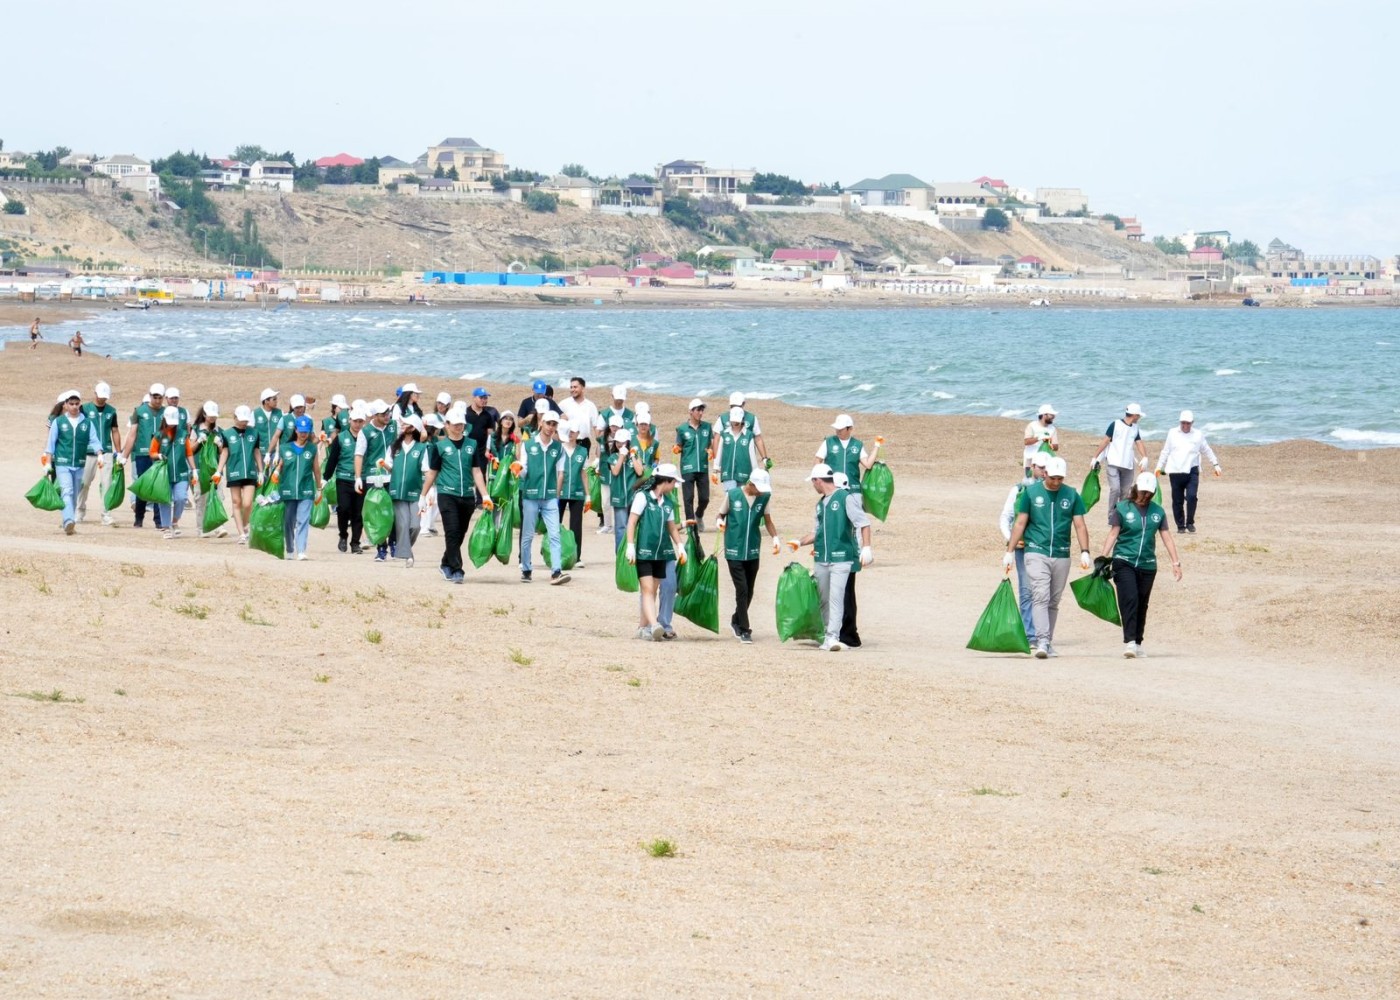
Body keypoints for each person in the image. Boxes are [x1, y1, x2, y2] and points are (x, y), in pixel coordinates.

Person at [1004, 456, 1092, 659]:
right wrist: (1009, 551)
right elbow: (1020, 523)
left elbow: (1080, 525)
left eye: (1060, 478)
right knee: (1040, 595)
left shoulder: (1071, 495)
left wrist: (1085, 551)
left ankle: (1047, 641)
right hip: (1036, 550)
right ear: (1045, 474)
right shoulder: (1031, 493)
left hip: (1061, 553)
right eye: (1053, 478)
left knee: (1053, 600)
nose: (1056, 482)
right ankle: (1041, 641)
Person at [1100, 472, 1182, 658]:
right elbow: (1113, 533)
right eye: (1142, 492)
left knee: (1142, 604)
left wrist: (1175, 562)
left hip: (1147, 564)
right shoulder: (1121, 508)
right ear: (1136, 489)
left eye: (1148, 493)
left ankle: (1138, 641)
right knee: (1130, 599)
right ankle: (1129, 642)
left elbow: (1166, 537)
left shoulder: (1158, 512)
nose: (1145, 496)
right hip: (1123, 560)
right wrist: (1103, 557)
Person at [792, 463, 873, 653]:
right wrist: (800, 542)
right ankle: (827, 634)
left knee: (836, 598)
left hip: (841, 557)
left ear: (818, 481)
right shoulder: (820, 505)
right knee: (824, 598)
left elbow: (863, 522)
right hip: (821, 557)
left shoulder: (846, 498)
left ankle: (833, 637)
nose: (813, 486)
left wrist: (867, 548)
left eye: (813, 482)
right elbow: (817, 532)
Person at [426, 404, 491, 583]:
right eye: (455, 424)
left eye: (461, 424)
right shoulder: (439, 446)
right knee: (452, 531)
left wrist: (484, 495)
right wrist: (423, 496)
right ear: (446, 425)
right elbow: (433, 472)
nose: (458, 427)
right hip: (447, 494)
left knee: (460, 533)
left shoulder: (472, 444)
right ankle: (456, 569)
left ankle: (445, 563)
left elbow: (477, 471)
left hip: (467, 495)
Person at [714, 467, 780, 643]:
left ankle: (736, 619)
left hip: (752, 550)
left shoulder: (764, 497)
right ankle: (744, 629)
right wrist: (720, 522)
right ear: (750, 484)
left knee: (749, 590)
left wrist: (775, 538)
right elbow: (720, 515)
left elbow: (768, 520)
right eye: (758, 488)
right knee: (741, 589)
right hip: (734, 550)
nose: (760, 492)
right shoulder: (733, 494)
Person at [624, 463, 688, 640]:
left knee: (652, 590)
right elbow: (632, 522)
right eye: (674, 482)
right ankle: (655, 625)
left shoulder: (668, 502)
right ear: (665, 481)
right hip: (645, 552)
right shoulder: (642, 497)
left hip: (661, 553)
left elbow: (671, 528)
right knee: (647, 589)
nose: (674, 486)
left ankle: (642, 628)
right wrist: (630, 545)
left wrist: (680, 546)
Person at [999, 452, 1050, 648]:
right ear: (1032, 468)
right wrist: (1011, 540)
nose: (1044, 473)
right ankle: (1031, 635)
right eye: (1041, 468)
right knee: (1027, 590)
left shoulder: (1051, 490)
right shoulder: (1019, 490)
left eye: (1047, 469)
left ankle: (1041, 632)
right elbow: (1005, 517)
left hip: (1044, 547)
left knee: (1043, 591)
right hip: (1023, 548)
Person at [515, 410, 570, 585]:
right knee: (528, 534)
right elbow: (524, 469)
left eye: (554, 424)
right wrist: (518, 469)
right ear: (541, 423)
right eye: (548, 423)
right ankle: (526, 568)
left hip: (550, 497)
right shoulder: (528, 445)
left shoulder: (558, 448)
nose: (550, 427)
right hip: (530, 495)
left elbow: (561, 473)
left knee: (554, 534)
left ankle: (556, 571)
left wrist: (557, 494)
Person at [44, 389, 102, 535]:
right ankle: (69, 520)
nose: (75, 406)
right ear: (66, 405)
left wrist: (99, 454)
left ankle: (69, 522)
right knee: (67, 491)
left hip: (79, 463)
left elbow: (94, 440)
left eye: (77, 404)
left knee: (75, 494)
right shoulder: (59, 422)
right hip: (62, 462)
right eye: (71, 404)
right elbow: (51, 443)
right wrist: (47, 462)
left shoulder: (87, 423)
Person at [1155, 409, 1222, 533]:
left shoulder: (1198, 434)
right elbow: (1165, 451)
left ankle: (1190, 522)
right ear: (1180, 422)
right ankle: (1180, 526)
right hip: (1175, 471)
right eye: (1183, 423)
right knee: (1177, 500)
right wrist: (1159, 467)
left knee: (1191, 497)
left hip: (1192, 470)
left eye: (1188, 423)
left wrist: (1215, 464)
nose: (1185, 426)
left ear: (1192, 423)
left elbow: (1207, 450)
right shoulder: (1172, 433)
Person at [384, 416, 430, 568]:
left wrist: (426, 493)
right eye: (403, 424)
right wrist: (385, 465)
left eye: (407, 425)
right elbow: (389, 466)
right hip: (397, 491)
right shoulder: (394, 447)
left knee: (415, 526)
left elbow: (426, 470)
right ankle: (408, 555)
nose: (403, 427)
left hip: (415, 491)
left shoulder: (422, 448)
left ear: (414, 428)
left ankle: (404, 548)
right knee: (403, 524)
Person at [276, 414, 323, 561]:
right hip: (288, 490)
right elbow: (280, 465)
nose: (303, 434)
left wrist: (319, 489)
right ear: (295, 430)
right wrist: (276, 472)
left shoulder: (312, 448)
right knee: (289, 521)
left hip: (306, 489)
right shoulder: (284, 448)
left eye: (306, 431)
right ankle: (290, 549)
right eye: (301, 430)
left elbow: (316, 470)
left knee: (303, 520)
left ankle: (301, 550)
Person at [354, 400, 397, 561]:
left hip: (392, 475)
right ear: (374, 415)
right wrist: (358, 477)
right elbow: (359, 454)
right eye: (383, 414)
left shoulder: (393, 426)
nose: (387, 416)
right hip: (373, 477)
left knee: (393, 511)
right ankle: (381, 547)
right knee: (378, 513)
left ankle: (393, 541)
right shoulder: (365, 432)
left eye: (388, 413)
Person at [121, 382, 167, 529]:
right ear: (150, 395)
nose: (158, 400)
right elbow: (132, 435)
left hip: (160, 454)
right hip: (142, 453)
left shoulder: (166, 412)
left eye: (160, 397)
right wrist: (124, 456)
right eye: (155, 397)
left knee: (158, 486)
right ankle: (139, 517)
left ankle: (158, 520)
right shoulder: (139, 411)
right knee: (143, 486)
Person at [1094, 403, 1149, 523]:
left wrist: (1144, 457)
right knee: (1115, 489)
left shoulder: (1135, 428)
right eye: (1138, 415)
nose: (1139, 418)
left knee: (1125, 492)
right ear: (1134, 415)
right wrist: (1095, 457)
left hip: (1128, 465)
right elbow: (1105, 441)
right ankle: (1111, 515)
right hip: (1113, 462)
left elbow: (1139, 443)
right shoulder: (1115, 424)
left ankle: (1121, 516)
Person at [77, 381, 122, 527]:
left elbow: (114, 431)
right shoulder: (85, 409)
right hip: (88, 452)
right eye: (100, 396)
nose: (103, 399)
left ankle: (106, 514)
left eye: (105, 397)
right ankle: (79, 511)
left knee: (107, 483)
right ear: (95, 393)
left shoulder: (111, 411)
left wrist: (119, 452)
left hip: (107, 451)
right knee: (84, 482)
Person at [217, 405, 262, 545]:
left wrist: (261, 471)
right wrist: (219, 470)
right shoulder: (227, 434)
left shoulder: (254, 433)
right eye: (241, 420)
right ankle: (241, 533)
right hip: (234, 472)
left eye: (246, 420)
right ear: (234, 418)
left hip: (250, 471)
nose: (244, 423)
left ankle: (244, 524)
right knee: (237, 502)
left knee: (248, 503)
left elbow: (256, 452)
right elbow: (225, 452)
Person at [324, 404, 366, 553]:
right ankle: (343, 535)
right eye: (355, 421)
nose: (358, 424)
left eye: (361, 421)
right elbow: (333, 459)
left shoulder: (367, 437)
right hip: (343, 478)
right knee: (344, 509)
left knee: (358, 512)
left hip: (361, 479)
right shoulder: (341, 438)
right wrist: (325, 478)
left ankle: (355, 543)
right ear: (350, 421)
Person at [151, 405, 196, 540]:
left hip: (181, 473)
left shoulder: (183, 434)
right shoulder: (159, 435)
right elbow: (152, 452)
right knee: (164, 500)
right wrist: (158, 456)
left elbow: (188, 453)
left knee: (181, 498)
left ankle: (175, 521)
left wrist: (194, 469)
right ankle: (165, 527)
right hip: (164, 474)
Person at [815, 414, 879, 505]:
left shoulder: (857, 444)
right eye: (837, 428)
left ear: (850, 429)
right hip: (833, 488)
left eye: (841, 429)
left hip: (853, 489)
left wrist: (877, 446)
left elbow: (868, 465)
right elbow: (818, 460)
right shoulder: (828, 442)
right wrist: (820, 480)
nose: (838, 431)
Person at [597, 387, 635, 531]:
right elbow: (598, 442)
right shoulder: (604, 415)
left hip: (623, 470)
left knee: (622, 497)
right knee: (606, 500)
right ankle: (607, 524)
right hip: (607, 468)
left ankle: (624, 525)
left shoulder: (630, 415)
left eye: (617, 426)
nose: (614, 428)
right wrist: (597, 462)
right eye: (612, 426)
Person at [190, 401, 229, 539]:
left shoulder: (219, 431)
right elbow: (190, 450)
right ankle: (201, 528)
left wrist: (219, 445)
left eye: (214, 416)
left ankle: (218, 526)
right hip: (200, 469)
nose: (212, 418)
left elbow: (223, 452)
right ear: (205, 414)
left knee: (217, 498)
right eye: (210, 415)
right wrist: (199, 441)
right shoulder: (196, 429)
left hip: (215, 470)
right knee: (201, 499)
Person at [674, 398, 713, 531]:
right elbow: (679, 445)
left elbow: (710, 444)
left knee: (705, 498)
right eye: (698, 410)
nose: (701, 413)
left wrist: (711, 451)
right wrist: (677, 448)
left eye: (702, 410)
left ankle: (699, 515)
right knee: (688, 498)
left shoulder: (707, 427)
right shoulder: (682, 429)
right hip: (687, 467)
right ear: (691, 411)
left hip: (702, 467)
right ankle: (691, 525)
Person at [556, 419, 591, 569]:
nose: (571, 434)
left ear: (578, 433)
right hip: (560, 491)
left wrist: (588, 494)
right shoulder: (558, 448)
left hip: (577, 492)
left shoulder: (582, 451)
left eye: (574, 431)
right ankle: (553, 553)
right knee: (555, 523)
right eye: (569, 431)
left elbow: (583, 473)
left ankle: (576, 556)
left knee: (576, 525)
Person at [607, 427, 645, 552]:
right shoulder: (613, 457)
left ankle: (634, 550)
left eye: (623, 442)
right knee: (620, 527)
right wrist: (621, 457)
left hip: (633, 496)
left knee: (633, 525)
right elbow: (615, 471)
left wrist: (633, 456)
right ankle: (620, 553)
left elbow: (640, 472)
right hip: (618, 496)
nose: (620, 445)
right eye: (618, 442)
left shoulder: (635, 455)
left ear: (628, 442)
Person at [712, 407, 758, 491]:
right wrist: (715, 469)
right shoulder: (724, 434)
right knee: (730, 498)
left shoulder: (749, 435)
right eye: (733, 420)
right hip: (728, 472)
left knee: (742, 499)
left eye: (737, 421)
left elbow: (752, 455)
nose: (735, 423)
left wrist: (755, 474)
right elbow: (719, 453)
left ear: (742, 420)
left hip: (744, 473)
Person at [727, 392, 771, 468]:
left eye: (738, 406)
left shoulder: (751, 418)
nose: (736, 408)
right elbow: (717, 440)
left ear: (743, 404)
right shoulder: (723, 418)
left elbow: (758, 438)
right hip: (728, 461)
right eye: (733, 406)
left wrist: (764, 458)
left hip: (747, 460)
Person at [558, 377, 599, 458]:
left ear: (582, 388)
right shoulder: (564, 404)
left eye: (575, 387)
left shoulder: (590, 405)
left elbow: (595, 426)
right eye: (571, 387)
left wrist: (598, 444)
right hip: (567, 441)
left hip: (584, 442)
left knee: (583, 467)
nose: (572, 389)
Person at [1023, 404, 1058, 475]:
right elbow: (1026, 442)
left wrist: (1049, 442)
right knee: (1030, 481)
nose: (1053, 417)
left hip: (1046, 460)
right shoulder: (1032, 426)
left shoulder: (1052, 429)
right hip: (1031, 459)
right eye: (1051, 415)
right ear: (1044, 415)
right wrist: (1039, 438)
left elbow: (1056, 447)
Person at [464, 387, 498, 455]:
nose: (483, 400)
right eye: (481, 398)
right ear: (474, 398)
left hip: (482, 451)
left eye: (485, 398)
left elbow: (490, 434)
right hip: (467, 449)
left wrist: (489, 450)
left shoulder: (487, 415)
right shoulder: (465, 413)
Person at [253, 388, 282, 463]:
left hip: (275, 452)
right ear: (266, 401)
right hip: (260, 452)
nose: (276, 401)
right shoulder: (255, 414)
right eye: (274, 399)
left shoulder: (280, 413)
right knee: (262, 474)